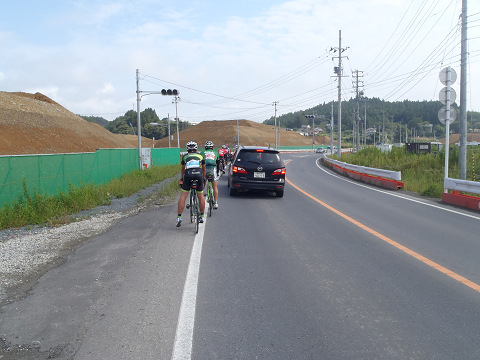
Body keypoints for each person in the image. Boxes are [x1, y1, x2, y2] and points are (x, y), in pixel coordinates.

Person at [176, 141, 206, 227]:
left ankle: (179, 217)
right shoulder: (200, 156)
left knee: (183, 196)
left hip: (188, 175)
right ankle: (202, 216)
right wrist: (203, 179)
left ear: (187, 149)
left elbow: (183, 170)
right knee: (200, 196)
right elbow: (204, 170)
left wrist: (182, 178)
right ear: (196, 149)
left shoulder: (185, 157)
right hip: (199, 175)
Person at [202, 141, 219, 209]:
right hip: (212, 169)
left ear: (205, 147)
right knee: (215, 187)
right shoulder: (215, 152)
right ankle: (215, 202)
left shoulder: (203, 152)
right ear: (212, 147)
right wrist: (217, 173)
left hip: (205, 169)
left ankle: (201, 198)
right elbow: (218, 162)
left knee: (202, 186)